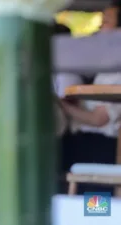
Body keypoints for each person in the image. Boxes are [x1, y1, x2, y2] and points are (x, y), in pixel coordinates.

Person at [58, 4, 121, 194]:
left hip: (100, 145)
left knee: (94, 206)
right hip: (86, 142)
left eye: (106, 23)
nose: (100, 28)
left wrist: (58, 103)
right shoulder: (107, 66)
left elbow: (99, 119)